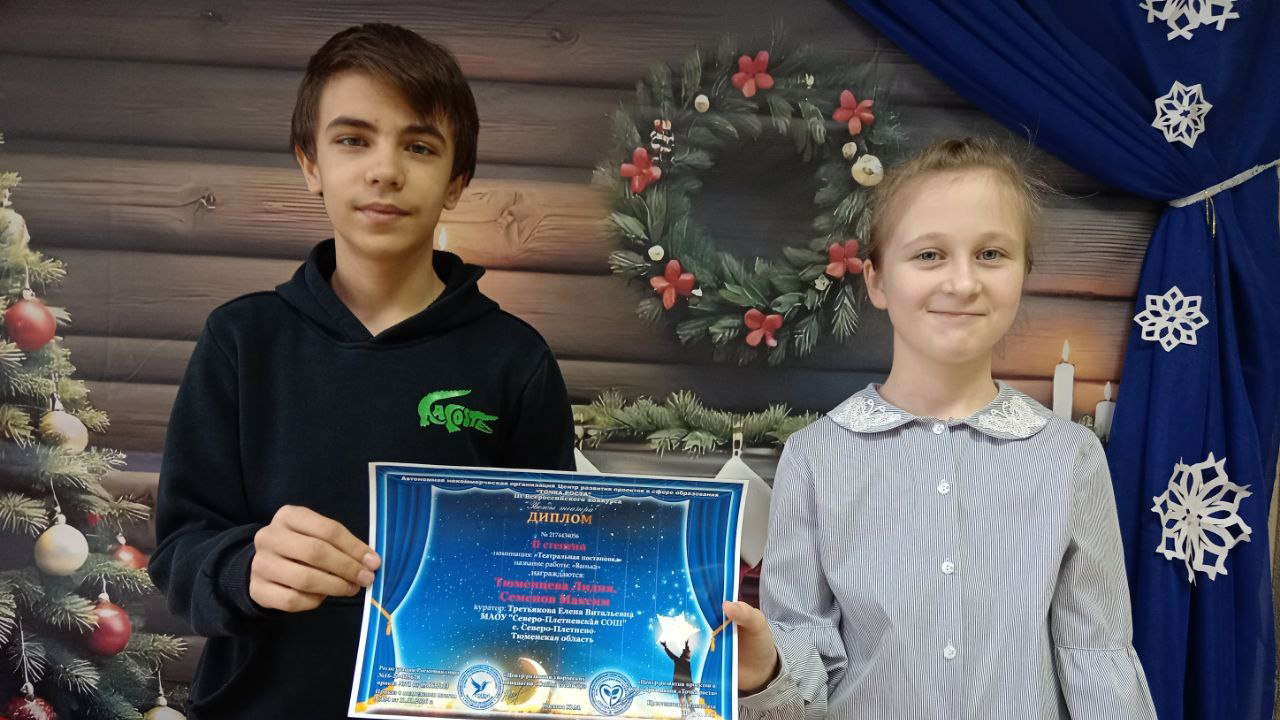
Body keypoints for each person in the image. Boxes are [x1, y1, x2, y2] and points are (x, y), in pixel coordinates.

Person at [148, 24, 575, 719]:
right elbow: (179, 554)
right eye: (353, 139)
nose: (385, 170)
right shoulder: (241, 341)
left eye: (419, 146)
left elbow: (550, 565)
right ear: (310, 162)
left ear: (456, 182)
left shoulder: (515, 360)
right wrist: (245, 565)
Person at [722, 138, 1156, 719]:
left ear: (1023, 273)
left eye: (991, 254)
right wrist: (768, 670)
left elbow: (1096, 658)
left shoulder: (1069, 458)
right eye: (929, 255)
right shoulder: (815, 458)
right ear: (877, 280)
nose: (962, 282)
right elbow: (805, 655)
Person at [661, 639, 696, 719]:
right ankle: (691, 712)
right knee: (687, 697)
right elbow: (673, 654)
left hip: (681, 683)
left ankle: (686, 713)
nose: (690, 654)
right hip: (686, 683)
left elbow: (671, 655)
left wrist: (665, 647)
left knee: (683, 698)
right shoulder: (686, 661)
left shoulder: (680, 660)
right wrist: (686, 645)